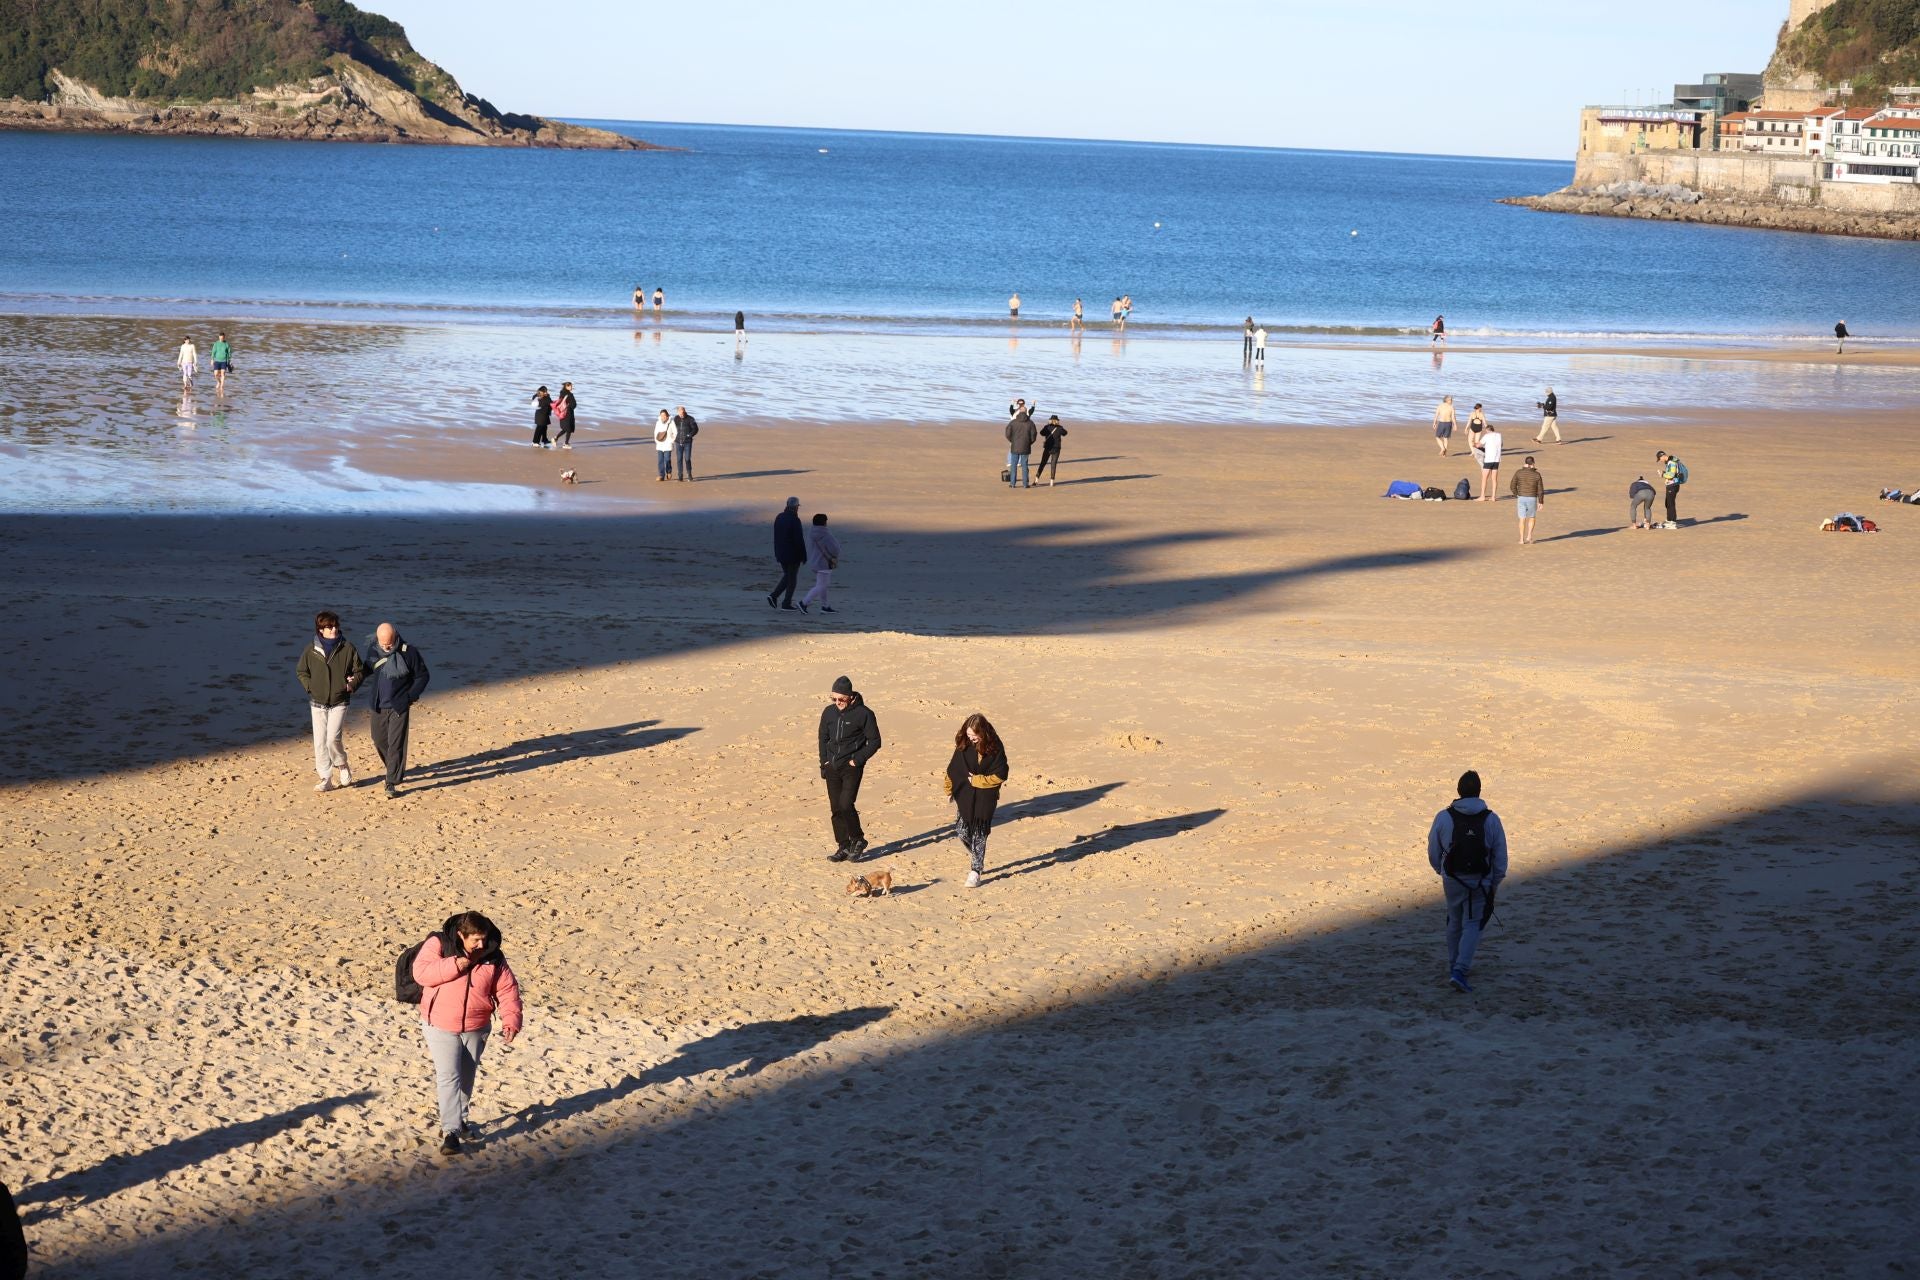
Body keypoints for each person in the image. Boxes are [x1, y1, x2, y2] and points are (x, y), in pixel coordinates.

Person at [411, 910, 522, 1155]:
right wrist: (455, 964)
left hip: (477, 1025)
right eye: (475, 940)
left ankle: (459, 1121)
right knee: (449, 1076)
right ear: (461, 935)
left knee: (467, 1077)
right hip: (440, 1024)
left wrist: (511, 1020)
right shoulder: (439, 943)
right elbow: (421, 973)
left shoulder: (493, 954)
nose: (480, 944)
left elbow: (507, 989)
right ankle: (450, 1132)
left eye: (483, 939)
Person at [1426, 770, 1507, 994]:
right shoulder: (1491, 819)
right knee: (1473, 923)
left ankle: (1454, 964)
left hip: (1452, 878)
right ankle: (1460, 970)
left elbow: (1434, 850)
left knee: (1454, 918)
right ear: (1479, 791)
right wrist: (1494, 884)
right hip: (1481, 880)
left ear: (1458, 791)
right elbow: (1500, 857)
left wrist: (1441, 871)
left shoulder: (1443, 817)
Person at [295, 610, 364, 793]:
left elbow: (360, 671)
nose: (333, 629)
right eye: (329, 626)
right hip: (317, 702)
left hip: (340, 701)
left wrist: (351, 685)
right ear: (321, 629)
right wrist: (310, 687)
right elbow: (301, 671)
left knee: (333, 738)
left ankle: (342, 765)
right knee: (320, 742)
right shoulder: (310, 649)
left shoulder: (347, 648)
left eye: (335, 626)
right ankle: (325, 778)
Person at [818, 675, 881, 861]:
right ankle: (844, 846)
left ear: (850, 696)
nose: (837, 702)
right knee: (836, 808)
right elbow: (823, 739)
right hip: (832, 767)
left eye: (841, 699)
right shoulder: (828, 713)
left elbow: (875, 741)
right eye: (834, 699)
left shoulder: (864, 714)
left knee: (846, 803)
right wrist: (824, 763)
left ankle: (858, 839)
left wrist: (857, 760)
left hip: (851, 767)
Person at [364, 622, 430, 799]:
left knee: (396, 745)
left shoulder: (409, 652)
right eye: (382, 643)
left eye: (389, 643)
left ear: (395, 637)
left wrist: (410, 697)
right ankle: (394, 768)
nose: (386, 647)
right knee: (378, 740)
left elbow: (423, 676)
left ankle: (391, 781)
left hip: (399, 706)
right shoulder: (373, 649)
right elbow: (367, 669)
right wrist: (351, 679)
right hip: (377, 705)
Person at [945, 713, 1008, 888]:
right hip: (965, 795)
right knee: (962, 830)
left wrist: (978, 781)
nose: (971, 738)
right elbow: (953, 768)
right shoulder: (964, 743)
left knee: (979, 833)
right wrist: (949, 788)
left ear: (983, 733)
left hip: (985, 797)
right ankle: (976, 854)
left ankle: (975, 871)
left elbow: (1001, 775)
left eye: (974, 735)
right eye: (969, 734)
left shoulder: (995, 747)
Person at [768, 496, 806, 610]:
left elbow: (777, 536)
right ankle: (783, 601)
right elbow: (799, 540)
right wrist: (803, 555)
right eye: (797, 507)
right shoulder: (795, 520)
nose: (797, 509)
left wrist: (777, 552)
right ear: (795, 507)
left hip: (781, 552)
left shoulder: (779, 517)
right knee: (792, 579)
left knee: (788, 576)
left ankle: (776, 597)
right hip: (792, 554)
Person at [800, 512, 840, 614]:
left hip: (814, 561)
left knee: (821, 584)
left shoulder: (811, 532)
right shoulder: (825, 534)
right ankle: (804, 603)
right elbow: (835, 549)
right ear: (824, 523)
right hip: (824, 562)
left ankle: (825, 606)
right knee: (822, 585)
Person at [1510, 456, 1545, 544]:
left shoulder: (1518, 472)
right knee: (1532, 517)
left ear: (1525, 463)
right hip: (1532, 498)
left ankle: (1521, 539)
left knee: (1522, 518)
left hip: (1521, 497)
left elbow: (1512, 485)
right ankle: (1529, 536)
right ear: (1533, 463)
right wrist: (1541, 501)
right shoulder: (1537, 474)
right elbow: (1540, 490)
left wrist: (1516, 494)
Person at [1006, 406, 1037, 489]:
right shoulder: (1030, 423)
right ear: (1026, 412)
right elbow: (1034, 436)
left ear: (1019, 411)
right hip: (1025, 447)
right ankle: (1025, 484)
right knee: (1024, 466)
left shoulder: (1013, 422)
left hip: (1015, 446)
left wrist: (1012, 441)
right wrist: (1029, 443)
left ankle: (1012, 484)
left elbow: (1008, 434)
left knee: (1014, 465)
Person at [1656, 450, 1686, 529]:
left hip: (1673, 485)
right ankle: (1669, 520)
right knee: (1667, 503)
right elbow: (1672, 473)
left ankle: (1672, 522)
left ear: (1662, 456)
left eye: (1660, 459)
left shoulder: (1671, 462)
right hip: (1672, 485)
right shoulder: (1670, 462)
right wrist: (1665, 472)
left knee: (1670, 503)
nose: (1661, 461)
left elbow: (1671, 474)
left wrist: (1662, 474)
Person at [1036, 414, 1067, 485]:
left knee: (1043, 463)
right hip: (1056, 448)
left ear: (1050, 420)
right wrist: (1059, 427)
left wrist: (1048, 426)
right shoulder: (1060, 428)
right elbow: (1065, 433)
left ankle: (1037, 479)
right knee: (1053, 464)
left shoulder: (1047, 427)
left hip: (1047, 448)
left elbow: (1041, 433)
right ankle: (1051, 482)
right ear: (1057, 421)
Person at [672, 404, 698, 480]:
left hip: (687, 442)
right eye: (680, 413)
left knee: (687, 458)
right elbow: (672, 429)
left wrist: (690, 435)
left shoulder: (690, 419)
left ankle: (689, 474)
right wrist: (673, 436)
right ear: (678, 412)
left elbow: (696, 429)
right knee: (679, 459)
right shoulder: (676, 418)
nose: (681, 414)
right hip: (678, 442)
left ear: (685, 411)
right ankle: (680, 475)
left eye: (683, 412)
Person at [1478, 422, 1503, 501]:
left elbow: (1479, 445)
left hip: (1489, 459)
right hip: (1497, 459)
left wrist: (1474, 444)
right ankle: (1493, 497)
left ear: (1488, 430)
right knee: (1494, 479)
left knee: (1484, 478)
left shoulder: (1487, 436)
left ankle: (1482, 496)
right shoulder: (1499, 435)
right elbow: (1501, 445)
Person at [652, 409, 676, 482]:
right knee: (660, 461)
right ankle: (661, 475)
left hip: (668, 445)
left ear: (667, 415)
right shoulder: (658, 422)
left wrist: (672, 441)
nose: (663, 417)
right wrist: (656, 441)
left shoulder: (671, 422)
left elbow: (675, 432)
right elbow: (655, 432)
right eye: (661, 415)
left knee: (667, 459)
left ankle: (669, 472)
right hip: (660, 444)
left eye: (664, 415)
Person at [553, 382, 577, 449]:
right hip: (568, 413)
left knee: (565, 428)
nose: (571, 387)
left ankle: (555, 438)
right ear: (566, 387)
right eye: (570, 386)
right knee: (568, 429)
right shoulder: (569, 394)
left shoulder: (561, 393)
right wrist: (571, 406)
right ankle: (565, 444)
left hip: (562, 413)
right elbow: (574, 404)